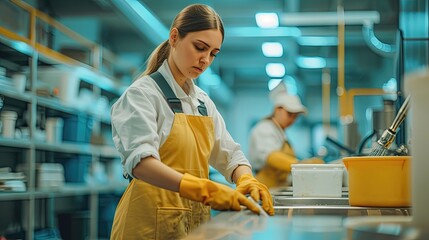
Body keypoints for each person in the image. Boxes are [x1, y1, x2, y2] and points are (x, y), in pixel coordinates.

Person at [109, 4, 274, 239]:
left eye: (213, 53)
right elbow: (140, 162)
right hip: (145, 227)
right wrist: (203, 189)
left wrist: (246, 178)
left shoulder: (203, 103)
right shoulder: (142, 95)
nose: (205, 59)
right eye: (200, 47)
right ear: (174, 37)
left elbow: (231, 155)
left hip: (193, 227)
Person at [248, 82, 324, 189]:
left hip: (277, 187)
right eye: (289, 114)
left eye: (295, 116)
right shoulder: (265, 128)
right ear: (277, 109)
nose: (292, 120)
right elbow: (272, 157)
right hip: (265, 187)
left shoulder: (280, 131)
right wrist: (302, 165)